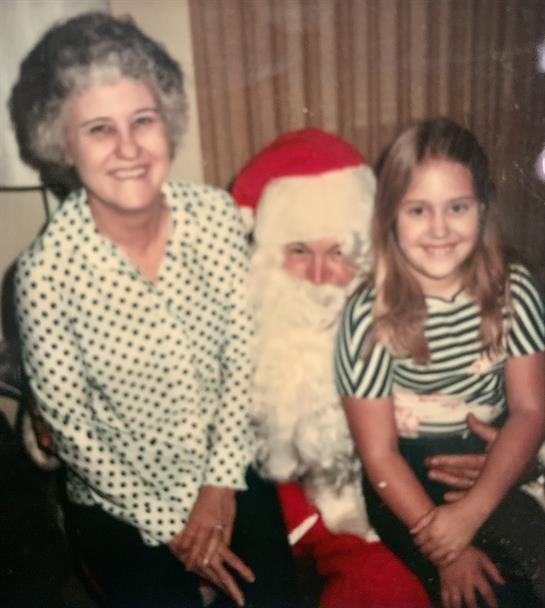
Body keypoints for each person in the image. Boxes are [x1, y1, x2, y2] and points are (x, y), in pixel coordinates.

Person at [10, 12, 298, 608]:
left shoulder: (215, 216)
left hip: (229, 469)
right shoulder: (44, 275)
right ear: (62, 143)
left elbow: (243, 352)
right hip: (120, 501)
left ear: (167, 121)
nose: (129, 149)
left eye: (143, 120)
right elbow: (72, 431)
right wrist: (172, 526)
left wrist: (220, 486)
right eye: (98, 129)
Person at [335, 117, 545, 608]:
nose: (439, 230)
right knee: (488, 594)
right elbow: (379, 454)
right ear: (390, 216)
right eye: (417, 210)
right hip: (406, 477)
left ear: (483, 208)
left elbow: (531, 411)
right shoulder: (367, 313)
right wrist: (448, 551)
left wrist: (473, 511)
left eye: (457, 207)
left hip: (493, 457)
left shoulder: (516, 289)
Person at [231, 128, 432, 607]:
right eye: (299, 251)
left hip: (363, 515)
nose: (320, 277)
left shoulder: (402, 310)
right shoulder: (233, 314)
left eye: (338, 252)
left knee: (389, 585)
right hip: (256, 510)